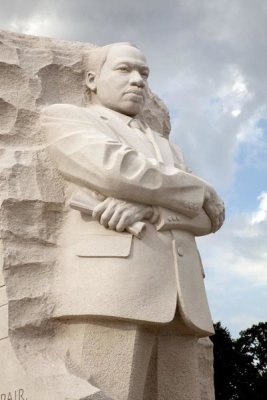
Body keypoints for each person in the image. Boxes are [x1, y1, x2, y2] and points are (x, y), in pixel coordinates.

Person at [41, 42, 225, 400]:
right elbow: (118, 170)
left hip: (183, 302)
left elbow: (208, 219)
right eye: (125, 70)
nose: (138, 80)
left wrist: (150, 210)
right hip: (112, 290)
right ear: (92, 80)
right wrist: (200, 187)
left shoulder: (169, 148)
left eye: (144, 73)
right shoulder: (67, 117)